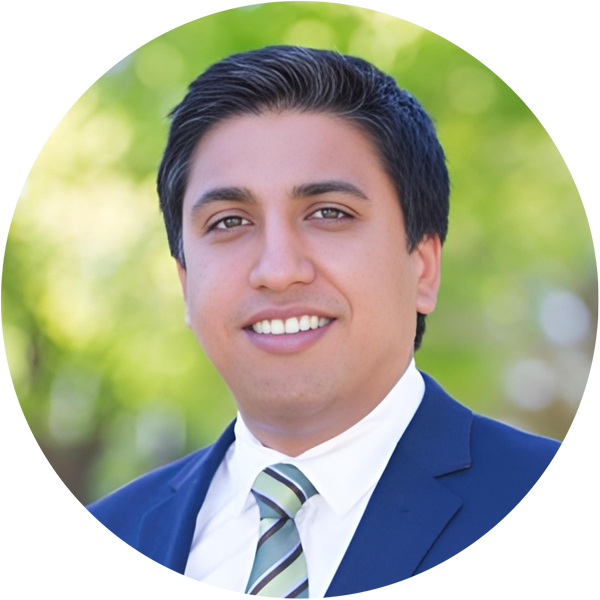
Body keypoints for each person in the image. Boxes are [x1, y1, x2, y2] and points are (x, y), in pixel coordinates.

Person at [37, 45, 597, 600]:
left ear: (423, 267)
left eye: (329, 213)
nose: (278, 271)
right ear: (185, 282)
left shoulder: (577, 521)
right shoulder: (87, 555)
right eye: (229, 221)